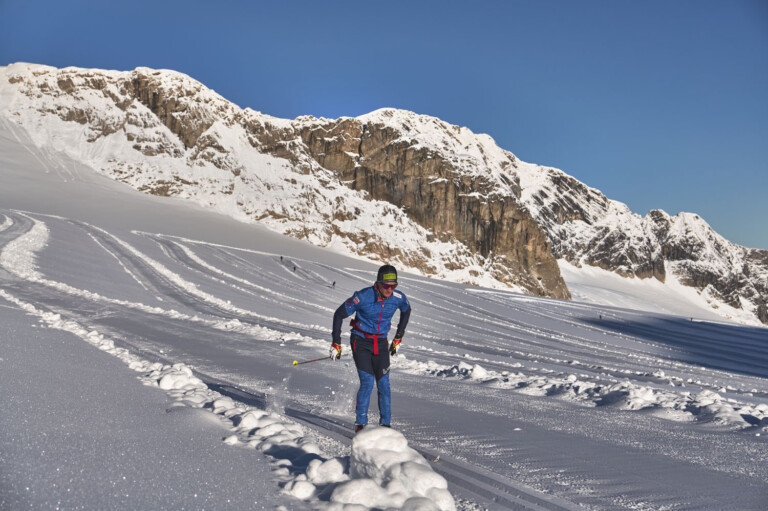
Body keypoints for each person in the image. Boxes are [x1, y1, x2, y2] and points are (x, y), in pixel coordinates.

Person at [330, 264, 411, 432]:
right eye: (386, 286)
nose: (390, 290)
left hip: (380, 342)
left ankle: (386, 426)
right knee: (367, 382)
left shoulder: (398, 297)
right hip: (360, 342)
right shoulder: (363, 296)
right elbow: (339, 314)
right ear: (378, 283)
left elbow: (406, 310)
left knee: (384, 384)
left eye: (393, 286)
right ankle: (361, 425)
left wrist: (398, 336)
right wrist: (336, 342)